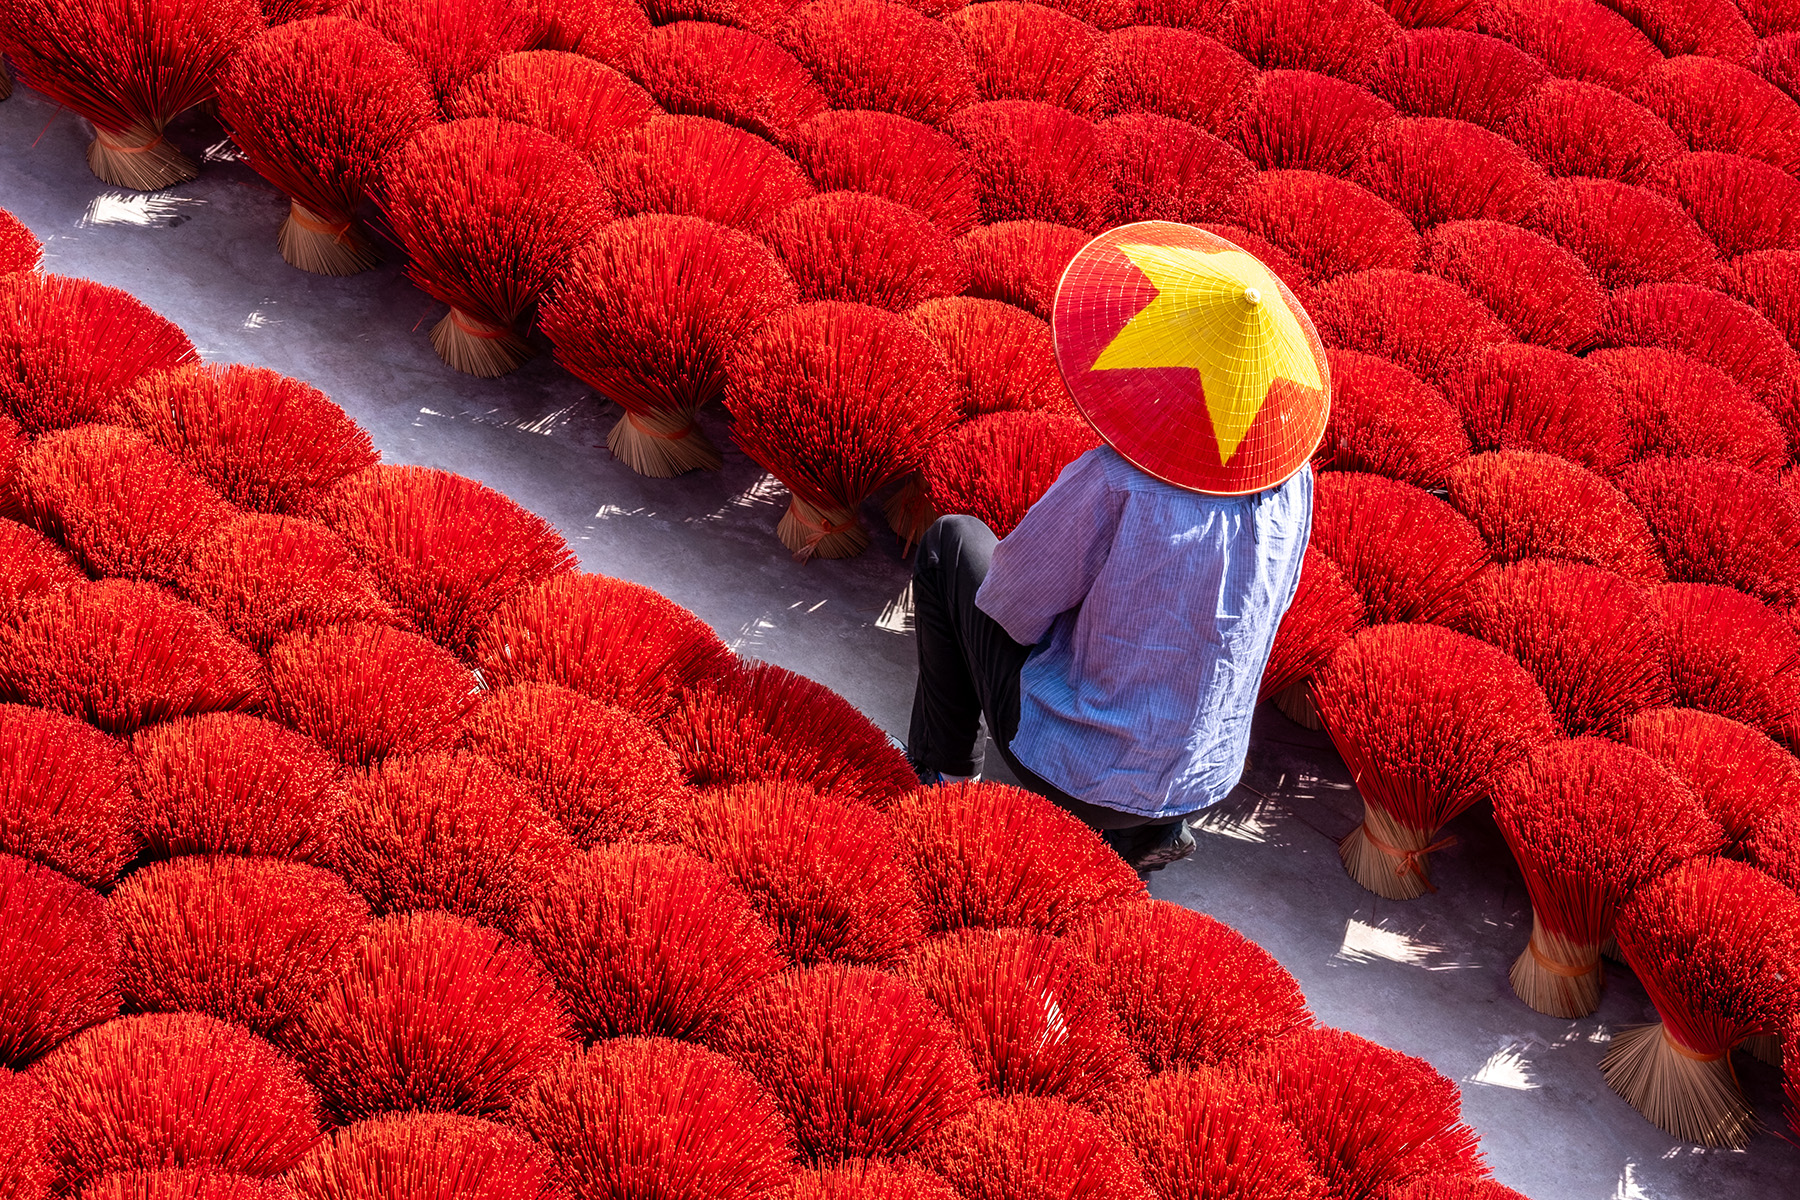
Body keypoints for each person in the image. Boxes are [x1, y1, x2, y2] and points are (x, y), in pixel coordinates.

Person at [905, 222, 1331, 874]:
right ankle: (1153, 835)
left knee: (951, 545)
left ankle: (941, 781)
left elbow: (1011, 606)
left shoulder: (1118, 482)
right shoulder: (1290, 478)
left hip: (1080, 771)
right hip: (1199, 775)